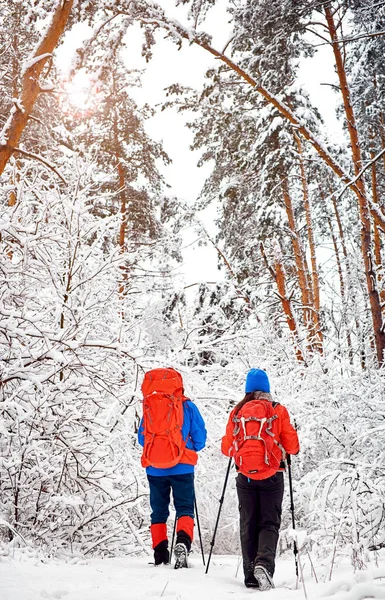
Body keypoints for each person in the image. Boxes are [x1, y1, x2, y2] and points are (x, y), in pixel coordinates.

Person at [221, 368, 299, 590]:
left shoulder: (237, 412)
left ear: (247, 389)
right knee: (269, 522)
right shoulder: (277, 410)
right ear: (267, 389)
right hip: (273, 475)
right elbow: (293, 446)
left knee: (248, 522)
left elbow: (227, 448)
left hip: (244, 476)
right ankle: (264, 565)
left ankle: (249, 573)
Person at [138, 367, 207, 569]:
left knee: (158, 512)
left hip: (154, 468)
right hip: (183, 467)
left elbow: (142, 438)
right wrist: (186, 448)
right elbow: (201, 439)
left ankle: (160, 554)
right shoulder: (187, 407)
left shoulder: (149, 405)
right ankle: (183, 543)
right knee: (184, 507)